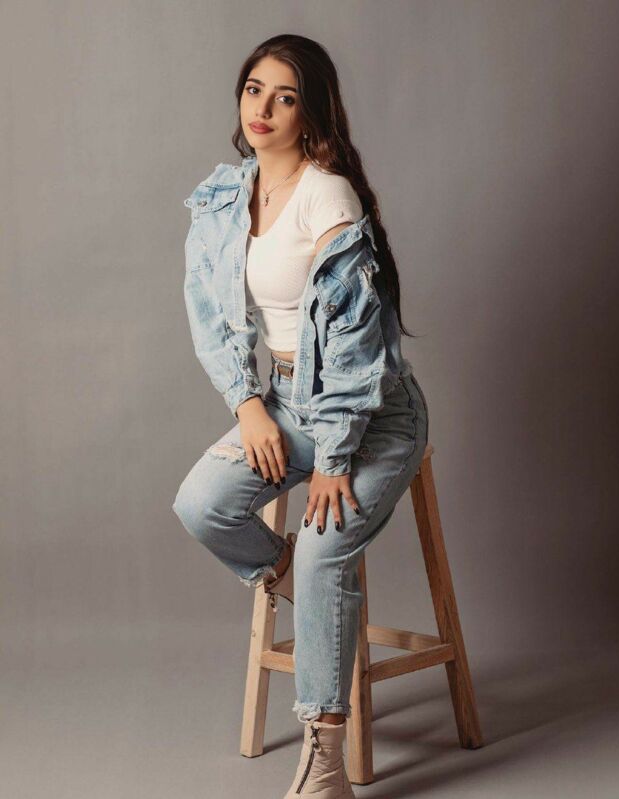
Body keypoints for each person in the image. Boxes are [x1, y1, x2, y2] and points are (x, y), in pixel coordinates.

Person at [172, 33, 429, 798]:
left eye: (285, 97)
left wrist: (338, 457)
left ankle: (325, 761)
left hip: (372, 416)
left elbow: (355, 341)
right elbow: (209, 315)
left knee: (323, 556)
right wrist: (249, 404)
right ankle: (302, 583)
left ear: (310, 112)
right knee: (201, 503)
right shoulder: (226, 197)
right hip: (286, 403)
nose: (263, 108)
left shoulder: (328, 195)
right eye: (255, 89)